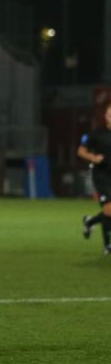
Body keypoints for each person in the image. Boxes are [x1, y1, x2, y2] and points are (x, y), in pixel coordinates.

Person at [78, 102, 111, 254]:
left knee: (109, 211)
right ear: (106, 116)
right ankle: (107, 246)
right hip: (101, 176)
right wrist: (93, 157)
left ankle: (90, 222)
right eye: (110, 114)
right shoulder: (97, 134)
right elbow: (81, 151)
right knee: (109, 209)